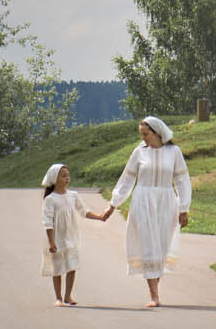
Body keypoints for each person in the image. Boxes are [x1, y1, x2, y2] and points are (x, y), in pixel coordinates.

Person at [108, 117, 192, 307]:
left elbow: (182, 181)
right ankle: (154, 295)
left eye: (146, 134)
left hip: (166, 201)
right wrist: (113, 203)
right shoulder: (139, 152)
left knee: (161, 247)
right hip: (143, 200)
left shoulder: (174, 152)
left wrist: (183, 209)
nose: (143, 138)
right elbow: (127, 180)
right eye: (142, 135)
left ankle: (154, 288)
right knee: (148, 245)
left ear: (157, 132)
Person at [41, 163, 110, 306]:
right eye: (63, 176)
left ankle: (68, 296)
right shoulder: (50, 199)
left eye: (68, 175)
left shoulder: (73, 196)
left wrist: (99, 217)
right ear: (54, 179)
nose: (67, 178)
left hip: (71, 236)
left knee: (72, 266)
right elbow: (47, 222)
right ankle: (58, 298)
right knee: (57, 268)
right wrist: (51, 242)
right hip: (56, 238)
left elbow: (84, 211)